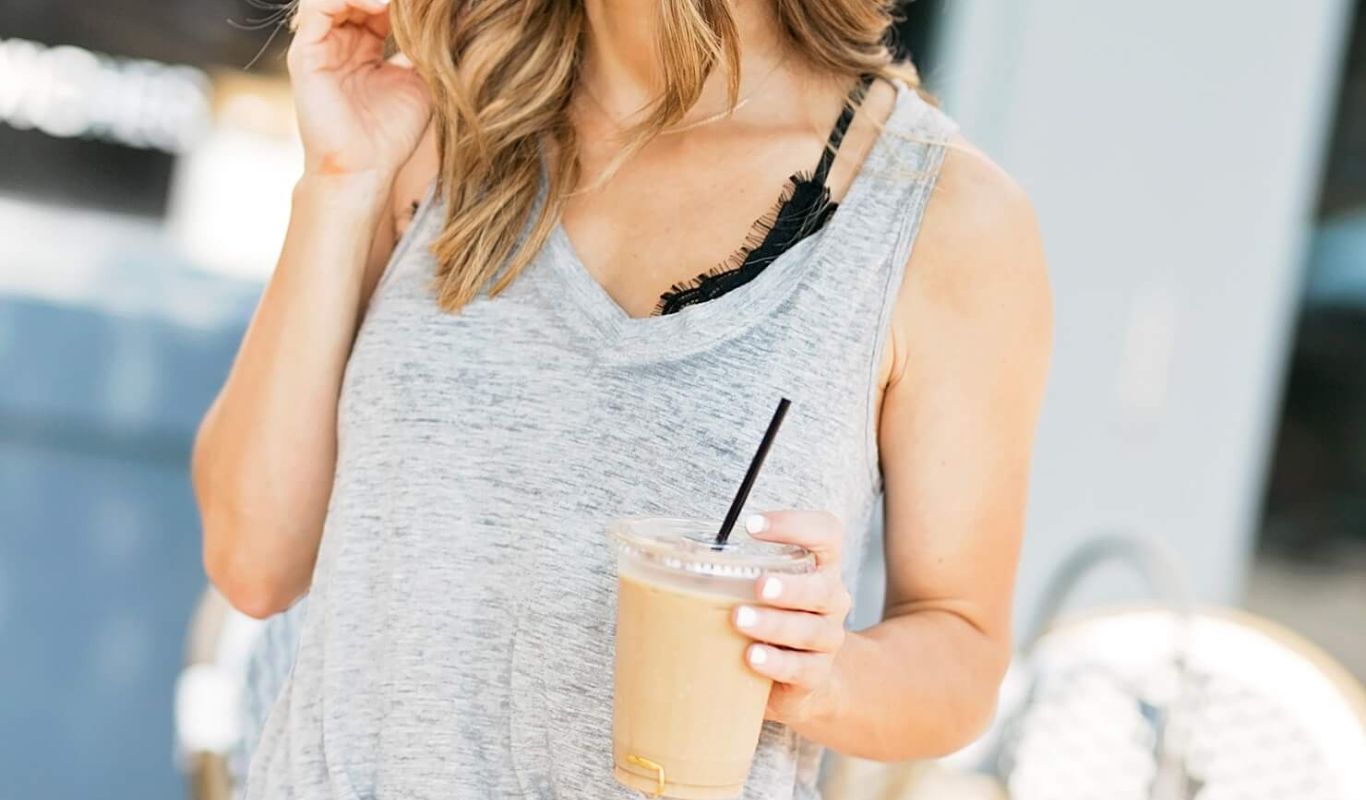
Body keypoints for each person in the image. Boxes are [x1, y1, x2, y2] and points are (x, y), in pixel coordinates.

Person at [191, 0, 1052, 796]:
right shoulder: (437, 122)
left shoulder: (943, 217)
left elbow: (961, 649)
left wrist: (825, 678)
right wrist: (341, 177)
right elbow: (255, 561)